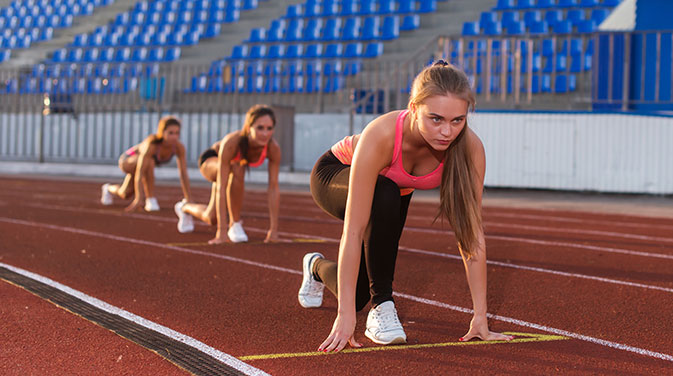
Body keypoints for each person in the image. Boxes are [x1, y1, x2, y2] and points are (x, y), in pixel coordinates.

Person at [297, 61, 514, 352]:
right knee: (385, 192)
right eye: (435, 119)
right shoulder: (382, 134)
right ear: (413, 108)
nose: (447, 132)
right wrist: (344, 315)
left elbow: (471, 235)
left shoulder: (470, 149)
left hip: (390, 192)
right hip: (336, 174)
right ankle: (383, 306)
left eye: (457, 120)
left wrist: (480, 318)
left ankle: (315, 267)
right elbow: (353, 230)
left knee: (358, 291)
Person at [173, 104, 281, 244]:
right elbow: (221, 187)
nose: (265, 133)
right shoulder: (232, 143)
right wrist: (221, 232)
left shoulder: (273, 148)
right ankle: (235, 224)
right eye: (260, 128)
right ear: (249, 128)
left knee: (211, 218)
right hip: (212, 162)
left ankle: (184, 207)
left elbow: (273, 188)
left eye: (269, 128)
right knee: (237, 167)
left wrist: (274, 230)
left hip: (231, 169)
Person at [101, 115, 192, 212]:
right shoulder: (152, 145)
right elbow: (140, 172)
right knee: (150, 162)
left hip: (144, 166)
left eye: (177, 133)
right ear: (162, 132)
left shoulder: (179, 147)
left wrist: (188, 198)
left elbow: (183, 173)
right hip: (128, 161)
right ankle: (151, 199)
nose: (174, 137)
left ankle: (107, 188)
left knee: (125, 193)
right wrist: (138, 199)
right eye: (170, 133)